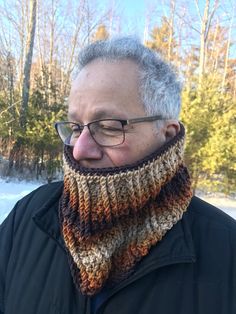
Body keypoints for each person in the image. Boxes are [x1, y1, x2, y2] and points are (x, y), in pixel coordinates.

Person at [0, 36, 235, 314]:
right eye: (75, 128)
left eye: (109, 126)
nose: (80, 150)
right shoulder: (27, 219)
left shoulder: (226, 253)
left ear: (167, 135)